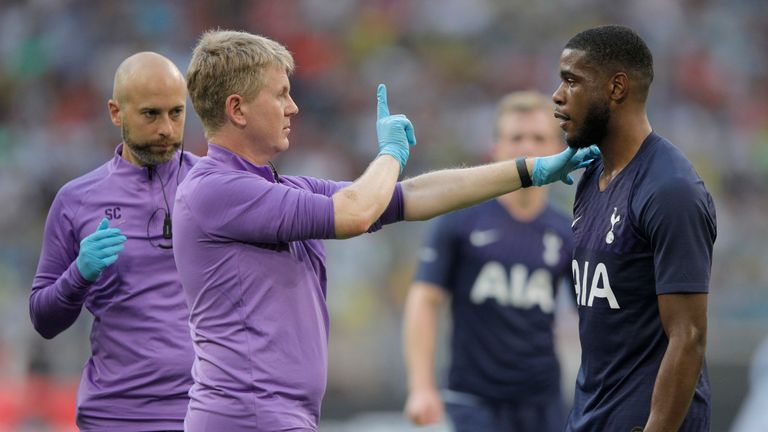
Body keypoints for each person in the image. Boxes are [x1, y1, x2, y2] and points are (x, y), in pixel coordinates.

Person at [173, 29, 598, 432]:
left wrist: (529, 171)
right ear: (237, 108)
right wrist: (391, 151)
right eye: (280, 94)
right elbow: (357, 212)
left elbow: (410, 196)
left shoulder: (276, 188)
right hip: (246, 417)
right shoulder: (215, 189)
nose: (293, 107)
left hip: (276, 415)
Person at [552, 25, 717, 431]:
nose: (557, 96)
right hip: (590, 416)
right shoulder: (592, 175)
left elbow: (688, 336)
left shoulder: (670, 190)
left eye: (572, 81)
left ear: (616, 88)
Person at [29, 52, 198, 431]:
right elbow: (43, 319)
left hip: (207, 412)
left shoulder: (214, 186)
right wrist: (78, 276)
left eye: (176, 112)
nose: (167, 129)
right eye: (151, 114)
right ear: (115, 112)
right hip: (116, 416)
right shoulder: (76, 201)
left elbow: (309, 209)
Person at [402, 91, 575, 432]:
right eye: (516, 137)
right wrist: (421, 387)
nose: (527, 146)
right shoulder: (460, 221)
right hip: (473, 399)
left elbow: (593, 318)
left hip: (543, 401)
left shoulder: (567, 232)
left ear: (558, 150)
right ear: (495, 148)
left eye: (539, 138)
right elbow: (425, 299)